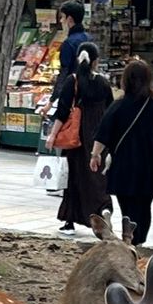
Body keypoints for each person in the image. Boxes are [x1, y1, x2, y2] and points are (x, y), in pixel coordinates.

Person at [90, 57, 153, 247]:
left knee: (127, 204)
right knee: (144, 205)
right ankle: (137, 241)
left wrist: (95, 155)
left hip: (124, 165)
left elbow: (103, 134)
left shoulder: (118, 106)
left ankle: (128, 235)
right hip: (151, 166)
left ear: (125, 80)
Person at [46, 40, 113, 234]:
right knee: (97, 177)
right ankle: (103, 208)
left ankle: (69, 221)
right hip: (99, 136)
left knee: (74, 178)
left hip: (77, 137)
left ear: (78, 58)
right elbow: (110, 110)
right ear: (95, 61)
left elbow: (63, 111)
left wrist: (52, 135)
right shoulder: (103, 82)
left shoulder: (72, 81)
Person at [56, 0, 88, 81]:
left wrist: (58, 92)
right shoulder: (89, 38)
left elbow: (65, 72)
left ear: (69, 19)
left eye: (63, 17)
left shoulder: (69, 43)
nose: (61, 21)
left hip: (73, 87)